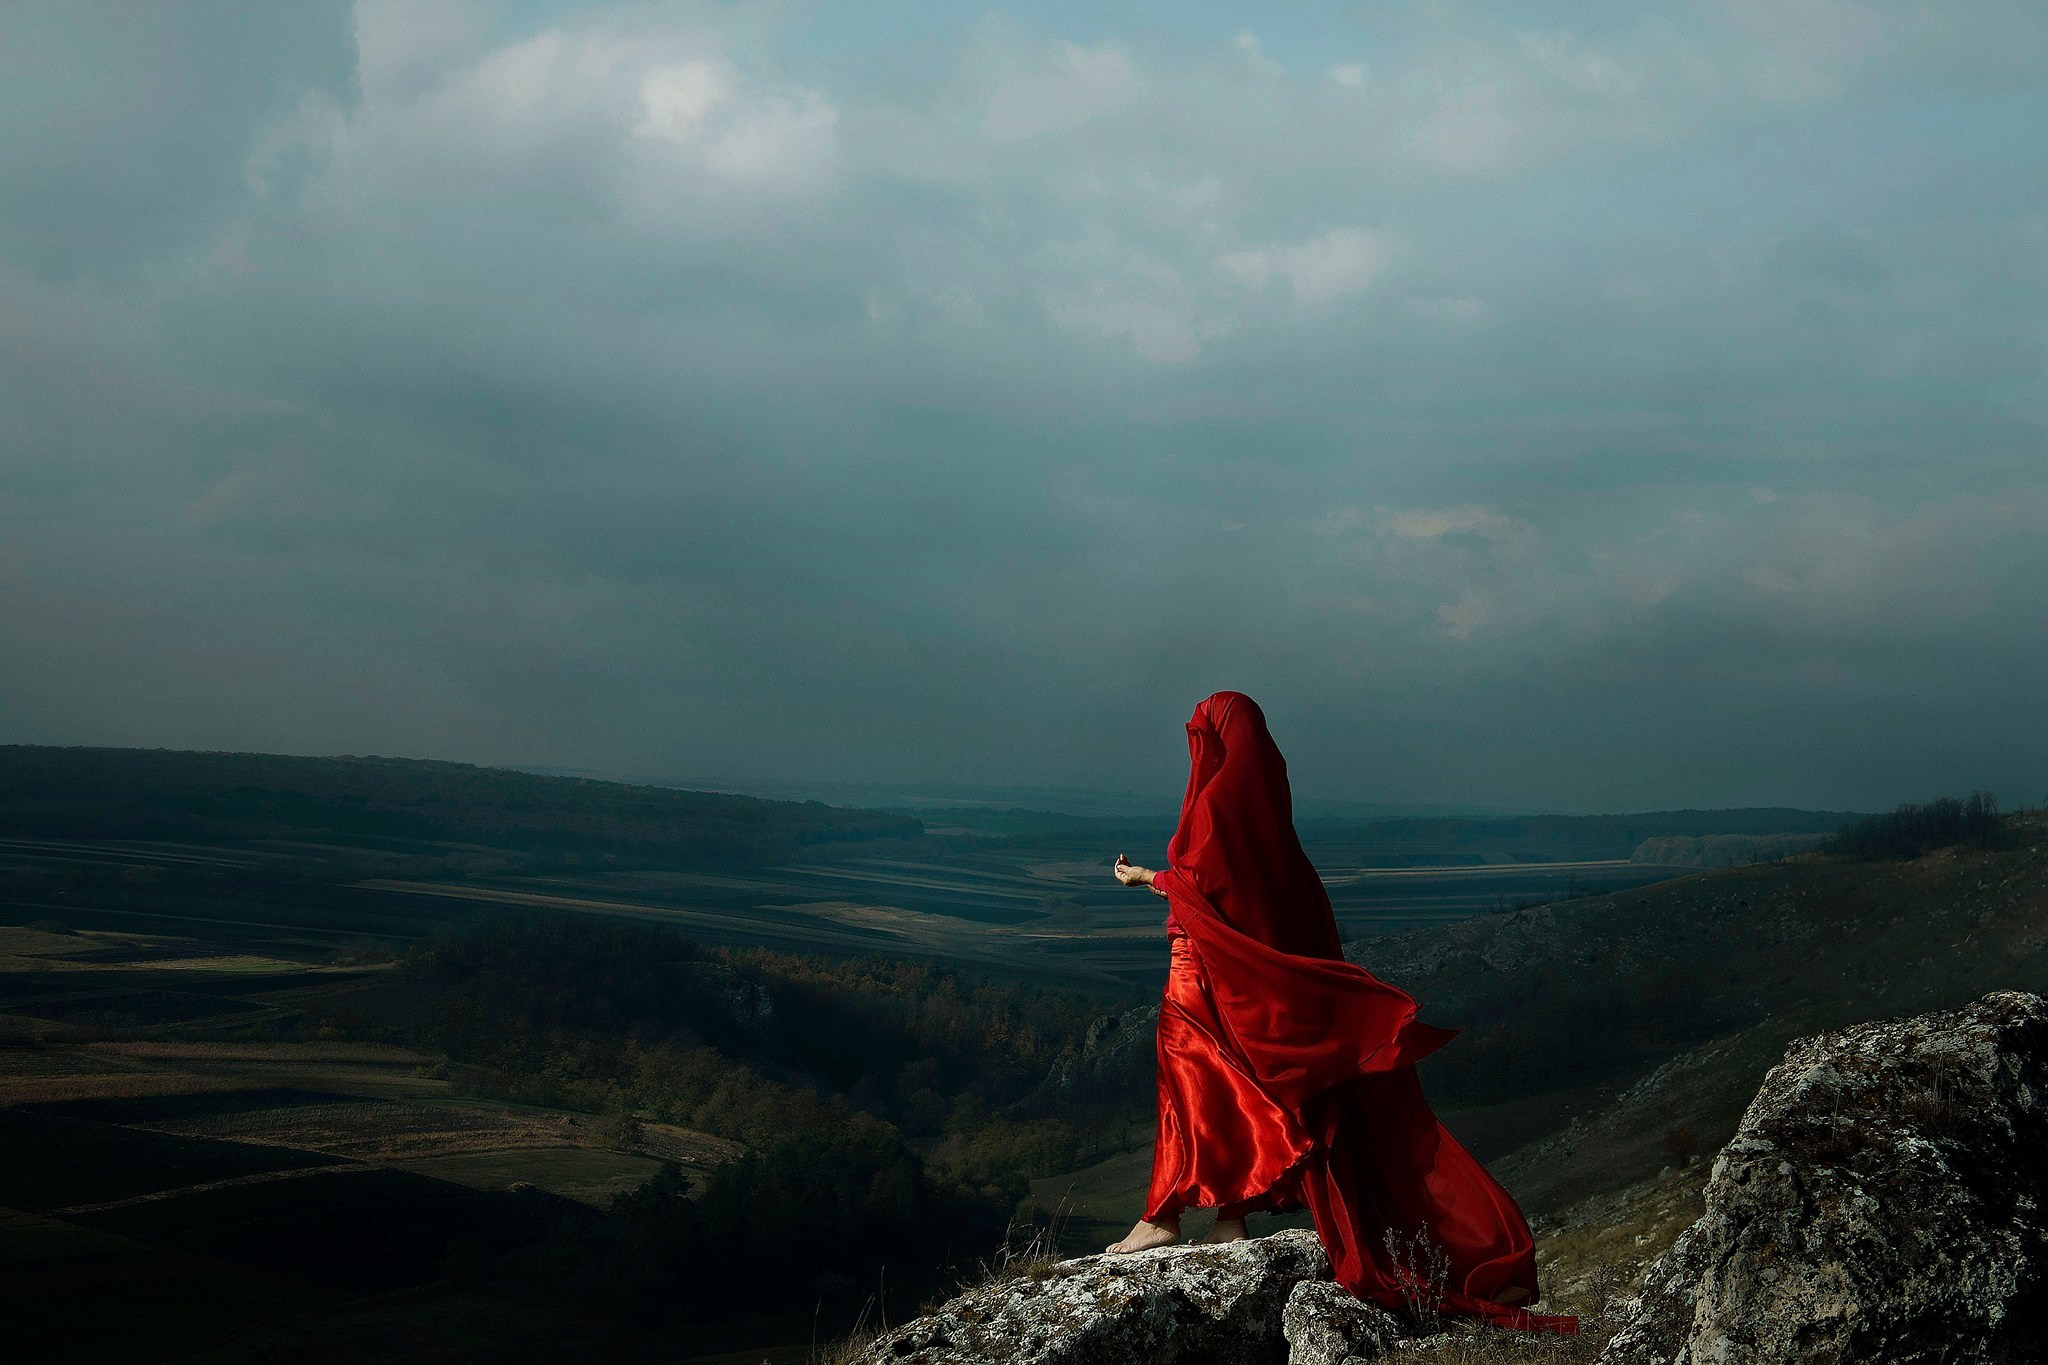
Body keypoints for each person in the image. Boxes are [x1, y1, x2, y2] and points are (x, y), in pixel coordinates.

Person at [1103, 691, 1574, 1334]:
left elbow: (1201, 882)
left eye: (1201, 732)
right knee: (1240, 1088)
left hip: (1202, 969)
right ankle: (1228, 1217)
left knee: (1189, 1082)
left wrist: (1144, 879)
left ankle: (1162, 1217)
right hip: (1247, 985)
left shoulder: (1216, 806)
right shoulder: (1271, 816)